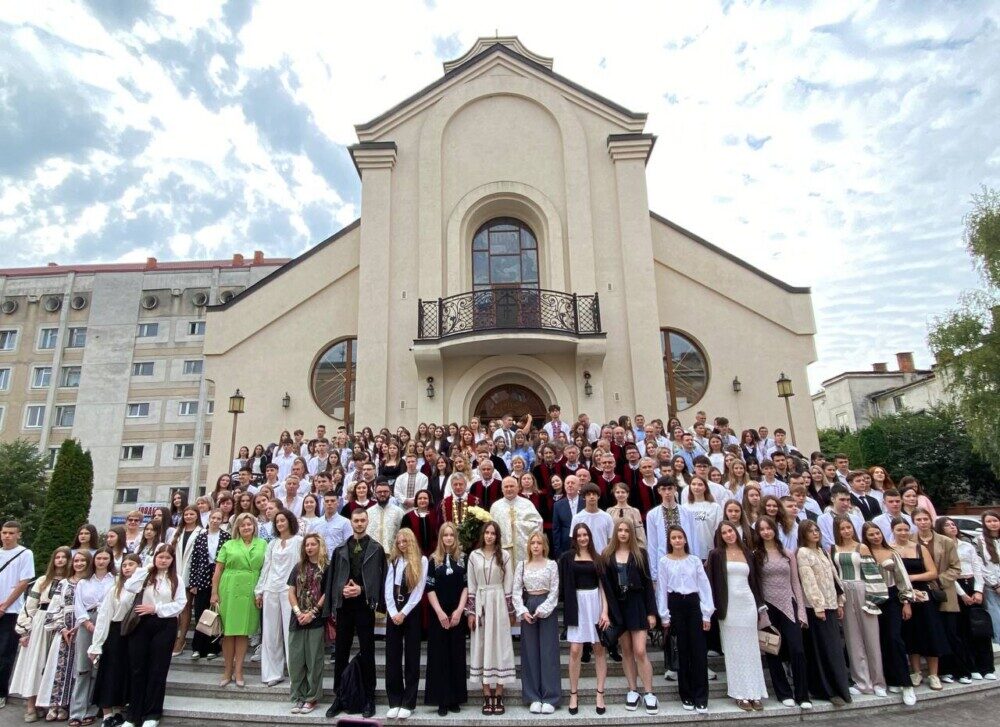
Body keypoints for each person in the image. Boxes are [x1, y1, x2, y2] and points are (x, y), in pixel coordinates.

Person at [324, 508, 386, 720]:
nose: (359, 523)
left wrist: (363, 590)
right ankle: (339, 696)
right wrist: (340, 591)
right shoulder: (340, 548)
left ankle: (369, 696)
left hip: (365, 605)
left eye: (362, 520)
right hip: (344, 605)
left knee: (368, 650)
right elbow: (333, 577)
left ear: (367, 522)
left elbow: (380, 578)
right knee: (341, 651)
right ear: (351, 522)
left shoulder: (376, 549)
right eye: (356, 520)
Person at [706, 522, 768, 711]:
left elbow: (755, 582)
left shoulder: (748, 553)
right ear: (720, 536)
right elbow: (711, 583)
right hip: (728, 607)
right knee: (734, 650)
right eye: (724, 532)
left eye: (730, 531)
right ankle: (740, 694)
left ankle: (755, 692)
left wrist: (760, 605)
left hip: (747, 604)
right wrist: (710, 609)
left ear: (736, 532)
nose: (728, 535)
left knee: (751, 650)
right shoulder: (716, 555)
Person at [122, 546, 186, 727]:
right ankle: (133, 715)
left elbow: (180, 603)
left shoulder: (176, 579)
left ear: (172, 560)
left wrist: (156, 608)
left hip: (165, 624)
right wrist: (148, 568)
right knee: (137, 669)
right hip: (141, 623)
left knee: (158, 669)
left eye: (167, 558)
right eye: (160, 557)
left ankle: (152, 713)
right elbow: (129, 586)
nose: (163, 560)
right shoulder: (145, 575)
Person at [752, 517, 810, 709]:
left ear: (774, 530)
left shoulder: (787, 553)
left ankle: (802, 695)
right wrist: (760, 611)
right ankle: (783, 693)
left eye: (768, 528)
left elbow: (796, 583)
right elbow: (756, 585)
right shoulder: (756, 555)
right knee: (772, 650)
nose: (766, 532)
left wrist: (801, 610)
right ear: (758, 533)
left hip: (789, 604)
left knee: (797, 649)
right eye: (762, 529)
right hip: (767, 608)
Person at [655, 526, 713, 713]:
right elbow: (662, 589)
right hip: (675, 605)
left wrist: (706, 613)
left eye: (680, 537)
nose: (677, 540)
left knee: (698, 651)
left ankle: (701, 696)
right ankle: (686, 694)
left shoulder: (694, 560)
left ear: (685, 539)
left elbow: (704, 586)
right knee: (682, 651)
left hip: (693, 605)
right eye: (674, 538)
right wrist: (664, 615)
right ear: (669, 541)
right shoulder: (664, 561)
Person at [604, 520, 658, 714]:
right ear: (615, 533)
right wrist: (607, 612)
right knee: (626, 651)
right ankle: (633, 690)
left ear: (631, 533)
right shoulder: (607, 555)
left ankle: (649, 692)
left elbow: (648, 584)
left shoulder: (640, 554)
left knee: (640, 651)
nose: (623, 533)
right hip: (618, 607)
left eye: (627, 530)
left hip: (637, 604)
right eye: (620, 530)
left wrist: (651, 612)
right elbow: (606, 588)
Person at [860, 522, 918, 705]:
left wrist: (906, 602)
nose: (875, 537)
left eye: (877, 533)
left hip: (892, 598)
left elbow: (902, 578)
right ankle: (891, 679)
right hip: (871, 599)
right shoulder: (863, 553)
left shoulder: (892, 552)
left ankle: (906, 683)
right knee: (879, 640)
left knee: (894, 638)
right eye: (871, 535)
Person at [796, 520, 852, 706]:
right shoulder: (803, 553)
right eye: (810, 531)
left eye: (816, 530)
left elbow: (834, 577)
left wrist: (840, 601)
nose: (815, 533)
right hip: (817, 609)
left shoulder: (823, 551)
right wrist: (818, 605)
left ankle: (839, 687)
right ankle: (825, 689)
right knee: (822, 649)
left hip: (831, 605)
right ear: (803, 534)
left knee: (833, 648)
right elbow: (808, 581)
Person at [9, 546, 68, 721]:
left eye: (64, 557)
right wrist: (25, 630)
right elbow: (30, 605)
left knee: (54, 665)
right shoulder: (43, 580)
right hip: (40, 623)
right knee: (35, 663)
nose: (60, 560)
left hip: (60, 622)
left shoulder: (71, 581)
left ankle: (50, 705)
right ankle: (31, 706)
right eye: (57, 557)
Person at [830, 515, 887, 696]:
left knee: (871, 637)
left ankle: (878, 682)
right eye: (842, 528)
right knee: (852, 638)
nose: (846, 531)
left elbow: (872, 573)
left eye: (849, 527)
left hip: (862, 589)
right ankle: (862, 682)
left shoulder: (861, 547)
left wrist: (872, 598)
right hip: (844, 591)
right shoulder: (833, 548)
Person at [559, 523, 610, 715]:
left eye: (585, 534)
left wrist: (605, 611)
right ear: (575, 538)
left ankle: (600, 694)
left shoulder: (598, 558)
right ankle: (573, 694)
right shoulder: (567, 558)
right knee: (575, 650)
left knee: (599, 649)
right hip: (576, 604)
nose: (582, 538)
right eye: (579, 535)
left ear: (589, 536)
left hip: (595, 602)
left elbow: (603, 586)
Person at [935, 516, 994, 683]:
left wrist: (978, 590)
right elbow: (948, 571)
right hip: (955, 587)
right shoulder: (942, 547)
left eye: (953, 524)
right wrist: (962, 594)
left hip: (973, 584)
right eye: (947, 525)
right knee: (962, 630)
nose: (952, 527)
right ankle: (971, 667)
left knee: (980, 628)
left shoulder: (967, 545)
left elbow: (977, 567)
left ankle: (986, 667)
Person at [211, 512, 267, 687]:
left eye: (249, 524)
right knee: (228, 632)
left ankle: (239, 670)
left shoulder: (263, 544)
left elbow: (266, 569)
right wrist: (214, 593)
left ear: (254, 526)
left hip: (251, 588)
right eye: (242, 525)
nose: (246, 527)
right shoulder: (229, 544)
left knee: (243, 632)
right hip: (229, 588)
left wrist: (261, 592)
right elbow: (218, 570)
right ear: (237, 528)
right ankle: (227, 670)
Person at [894, 514, 949, 689]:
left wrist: (911, 577)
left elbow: (932, 572)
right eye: (899, 530)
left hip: (923, 594)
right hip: (903, 595)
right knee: (911, 634)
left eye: (905, 529)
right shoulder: (891, 549)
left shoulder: (919, 548)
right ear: (893, 531)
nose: (903, 533)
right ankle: (916, 672)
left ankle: (933, 674)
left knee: (931, 632)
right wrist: (905, 586)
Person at [466, 521, 515, 715]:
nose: (489, 536)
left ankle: (499, 695)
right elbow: (471, 585)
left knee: (501, 646)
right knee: (482, 646)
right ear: (482, 534)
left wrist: (510, 611)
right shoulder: (474, 556)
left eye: (493, 533)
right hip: (480, 601)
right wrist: (471, 612)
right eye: (487, 532)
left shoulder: (505, 555)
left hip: (499, 601)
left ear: (497, 536)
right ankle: (487, 695)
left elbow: (509, 583)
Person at [88, 554, 141, 727]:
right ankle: (107, 714)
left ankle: (118, 711)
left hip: (134, 633)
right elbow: (104, 616)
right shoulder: (116, 589)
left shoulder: (143, 587)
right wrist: (96, 644)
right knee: (110, 672)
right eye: (124, 565)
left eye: (131, 564)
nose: (127, 568)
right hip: (116, 633)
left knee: (125, 673)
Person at [37, 550, 89, 721]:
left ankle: (68, 705)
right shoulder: (64, 583)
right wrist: (62, 628)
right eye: (77, 560)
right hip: (64, 631)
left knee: (77, 669)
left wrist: (80, 626)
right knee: (58, 668)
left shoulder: (89, 582)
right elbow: (55, 607)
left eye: (83, 561)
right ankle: (55, 704)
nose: (79, 564)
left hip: (83, 629)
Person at [425, 522, 469, 716]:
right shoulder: (433, 560)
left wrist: (459, 610)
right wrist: (440, 612)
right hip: (439, 614)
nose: (449, 538)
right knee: (439, 656)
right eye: (445, 535)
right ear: (441, 538)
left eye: (452, 535)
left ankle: (455, 699)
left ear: (455, 537)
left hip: (457, 613)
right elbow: (429, 588)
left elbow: (467, 586)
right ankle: (441, 700)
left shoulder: (463, 559)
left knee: (456, 655)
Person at [513, 532, 560, 714]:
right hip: (528, 606)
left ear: (544, 546)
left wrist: (543, 609)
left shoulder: (551, 565)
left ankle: (550, 697)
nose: (535, 546)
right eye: (532, 542)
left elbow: (555, 591)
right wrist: (523, 610)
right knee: (530, 652)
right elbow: (516, 591)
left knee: (548, 652)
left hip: (546, 606)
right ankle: (532, 696)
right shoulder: (522, 566)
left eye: (539, 543)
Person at [255, 509, 302, 687]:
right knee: (270, 633)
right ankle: (273, 673)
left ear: (290, 521)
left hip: (290, 591)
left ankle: (295, 675)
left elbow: (302, 567)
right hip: (271, 589)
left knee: (291, 633)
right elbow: (266, 567)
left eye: (283, 520)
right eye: (277, 522)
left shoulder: (299, 541)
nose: (280, 524)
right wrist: (259, 590)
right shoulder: (272, 544)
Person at [384, 529, 428, 720]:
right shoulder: (394, 561)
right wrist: (393, 612)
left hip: (411, 612)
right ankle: (394, 701)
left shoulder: (422, 561)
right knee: (392, 656)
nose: (402, 545)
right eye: (399, 542)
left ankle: (408, 702)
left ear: (411, 541)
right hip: (394, 611)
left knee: (412, 656)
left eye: (405, 541)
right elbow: (388, 589)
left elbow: (418, 591)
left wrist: (403, 613)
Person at [68, 547, 114, 726]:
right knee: (83, 667)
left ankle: (92, 709)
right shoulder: (84, 582)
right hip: (87, 621)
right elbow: (78, 605)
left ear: (110, 560)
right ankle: (77, 711)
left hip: (107, 621)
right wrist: (88, 624)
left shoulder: (115, 580)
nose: (101, 561)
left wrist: (102, 626)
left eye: (105, 558)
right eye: (98, 558)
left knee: (98, 668)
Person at [286, 534, 328, 715]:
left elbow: (327, 593)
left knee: (314, 661)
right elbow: (291, 592)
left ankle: (311, 698)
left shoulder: (326, 567)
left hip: (316, 620)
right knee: (295, 661)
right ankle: (298, 696)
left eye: (313, 544)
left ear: (320, 546)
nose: (309, 547)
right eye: (306, 545)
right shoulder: (298, 567)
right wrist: (298, 612)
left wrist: (312, 613)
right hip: (297, 619)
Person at [187, 510, 230, 660]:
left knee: (216, 613)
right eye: (213, 518)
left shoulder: (226, 537)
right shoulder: (200, 537)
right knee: (201, 613)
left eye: (218, 518)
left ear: (222, 520)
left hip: (219, 576)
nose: (215, 520)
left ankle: (213, 647)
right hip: (202, 578)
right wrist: (193, 582)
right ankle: (198, 648)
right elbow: (195, 561)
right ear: (209, 519)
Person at [169, 506, 203, 656]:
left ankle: (181, 639)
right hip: (175, 573)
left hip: (191, 574)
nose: (188, 516)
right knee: (174, 607)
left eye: (192, 514)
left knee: (186, 607)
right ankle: (172, 638)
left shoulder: (202, 532)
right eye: (186, 514)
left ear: (197, 516)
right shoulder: (177, 532)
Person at [490, 476, 543, 565]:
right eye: (506, 487)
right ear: (502, 489)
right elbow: (491, 530)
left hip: (523, 550)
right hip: (502, 550)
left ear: (518, 488)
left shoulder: (527, 504)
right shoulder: (495, 507)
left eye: (512, 486)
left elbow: (537, 524)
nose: (509, 489)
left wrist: (516, 525)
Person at [975, 510, 1000, 646]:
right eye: (989, 521)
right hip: (992, 587)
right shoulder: (979, 541)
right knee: (996, 616)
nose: (993, 524)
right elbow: (981, 566)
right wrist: (995, 585)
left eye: (995, 520)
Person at [571, 483, 614, 554]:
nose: (591, 497)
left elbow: (611, 539)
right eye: (588, 494)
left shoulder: (607, 517)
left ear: (598, 496)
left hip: (603, 556)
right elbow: (574, 540)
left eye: (594, 494)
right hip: (584, 557)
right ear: (584, 497)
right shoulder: (577, 518)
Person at [399, 490, 441, 557]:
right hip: (414, 553)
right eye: (420, 498)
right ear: (416, 500)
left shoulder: (435, 515)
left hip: (434, 554)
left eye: (425, 498)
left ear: (429, 500)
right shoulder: (408, 517)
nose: (422, 500)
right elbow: (404, 536)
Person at [552, 475, 584, 557]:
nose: (570, 485)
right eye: (567, 483)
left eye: (573, 483)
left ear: (579, 486)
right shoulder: (557, 505)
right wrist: (557, 551)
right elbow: (556, 529)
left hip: (584, 543)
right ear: (564, 486)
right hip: (565, 546)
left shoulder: (585, 502)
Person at [606, 482, 647, 547]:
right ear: (614, 494)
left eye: (623, 492)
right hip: (614, 546)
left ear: (627, 494)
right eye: (617, 492)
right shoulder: (609, 511)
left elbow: (640, 533)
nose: (620, 494)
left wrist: (641, 548)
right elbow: (607, 532)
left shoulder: (634, 511)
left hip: (631, 546)